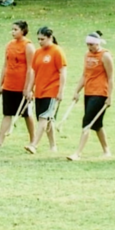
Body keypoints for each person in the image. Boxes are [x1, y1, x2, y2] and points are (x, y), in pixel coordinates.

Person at [66, 32, 113, 161]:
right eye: (87, 44)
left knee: (87, 122)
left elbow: (110, 77)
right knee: (97, 125)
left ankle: (78, 153)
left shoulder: (105, 56)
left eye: (91, 44)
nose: (89, 47)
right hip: (89, 92)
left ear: (98, 43)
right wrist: (77, 91)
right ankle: (106, 150)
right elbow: (84, 75)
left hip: (100, 93)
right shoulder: (87, 55)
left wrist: (109, 96)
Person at [0, 21, 36, 148]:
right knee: (7, 113)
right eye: (12, 29)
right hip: (9, 85)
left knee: (27, 114)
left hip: (21, 86)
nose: (13, 32)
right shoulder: (10, 45)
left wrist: (28, 88)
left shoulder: (28, 46)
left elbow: (31, 68)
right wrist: (1, 83)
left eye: (16, 29)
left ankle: (33, 141)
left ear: (23, 31)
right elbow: (5, 65)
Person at [24, 26, 67, 155]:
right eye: (38, 39)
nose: (40, 42)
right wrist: (29, 88)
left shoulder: (57, 51)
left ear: (50, 38)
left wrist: (61, 90)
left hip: (52, 90)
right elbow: (33, 71)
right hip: (40, 90)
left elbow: (63, 71)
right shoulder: (38, 52)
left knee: (44, 117)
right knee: (46, 119)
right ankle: (53, 145)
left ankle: (34, 144)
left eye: (42, 39)